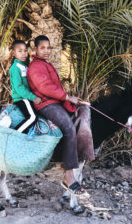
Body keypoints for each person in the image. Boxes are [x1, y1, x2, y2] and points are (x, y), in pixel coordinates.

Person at [27, 35, 88, 196]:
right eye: (42, 48)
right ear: (35, 49)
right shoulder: (35, 67)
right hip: (46, 104)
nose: (46, 51)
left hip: (53, 101)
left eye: (48, 48)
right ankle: (68, 176)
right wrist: (67, 97)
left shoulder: (45, 64)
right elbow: (45, 88)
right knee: (68, 127)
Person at [9, 40, 42, 133]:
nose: (24, 54)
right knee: (32, 117)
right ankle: (14, 134)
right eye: (20, 51)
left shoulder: (27, 66)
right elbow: (19, 87)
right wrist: (33, 97)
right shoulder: (15, 68)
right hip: (22, 99)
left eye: (25, 50)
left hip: (27, 97)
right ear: (13, 53)